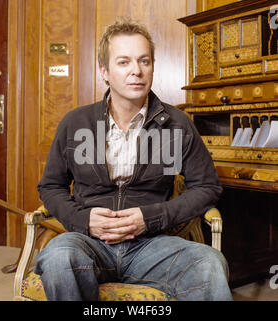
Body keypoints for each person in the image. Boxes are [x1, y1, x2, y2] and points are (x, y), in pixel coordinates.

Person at [34, 17, 233, 301]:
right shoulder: (76, 123)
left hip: (151, 246)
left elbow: (207, 188)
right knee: (57, 258)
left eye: (144, 61)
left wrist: (150, 218)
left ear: (152, 66)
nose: (136, 71)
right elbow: (50, 187)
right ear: (105, 71)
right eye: (124, 62)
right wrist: (84, 220)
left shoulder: (176, 124)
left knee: (209, 264)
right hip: (88, 243)